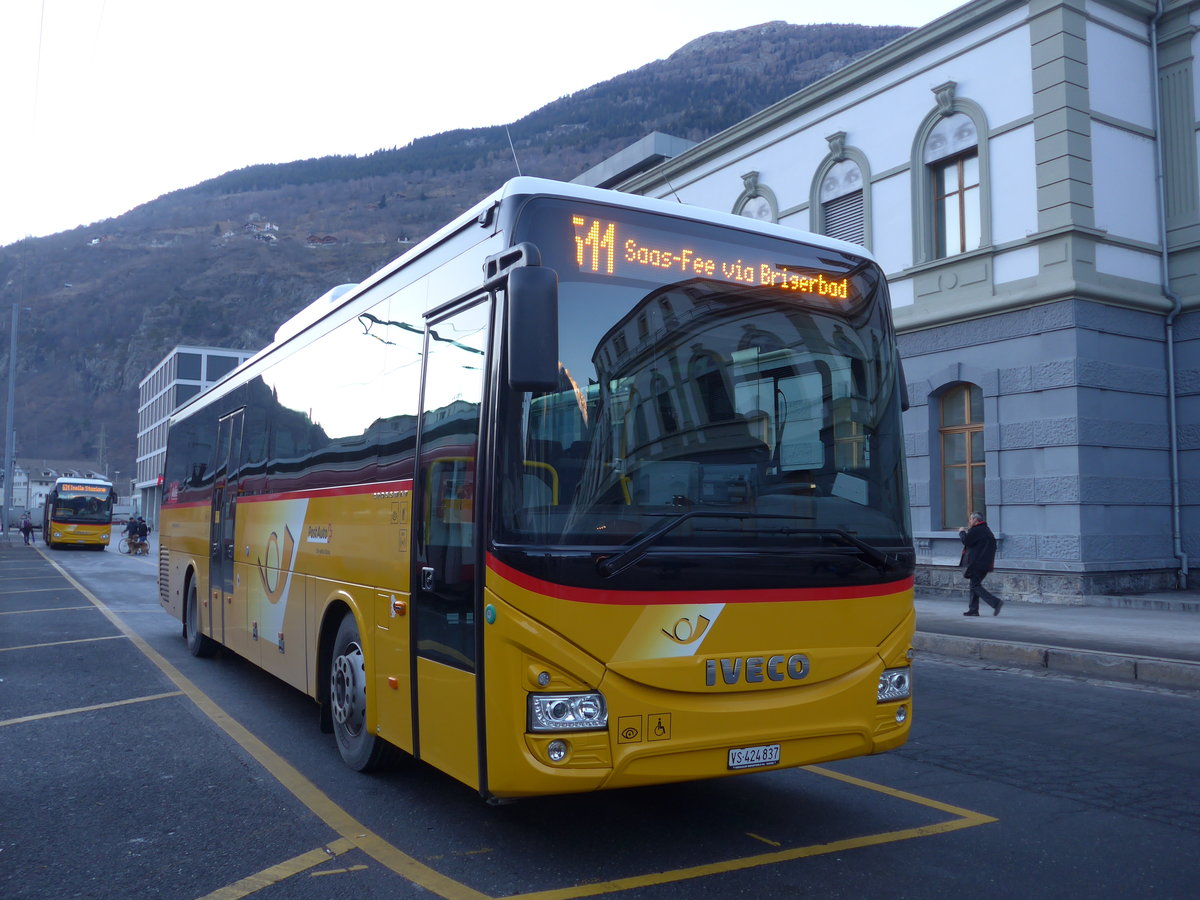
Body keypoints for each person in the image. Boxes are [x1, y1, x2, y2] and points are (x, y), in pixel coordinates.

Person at [959, 511, 1004, 616]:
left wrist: (962, 532)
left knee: (975, 586)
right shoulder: (987, 531)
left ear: (976, 520)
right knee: (973, 585)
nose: (969, 521)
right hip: (985, 563)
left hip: (976, 563)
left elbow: (966, 541)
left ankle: (996, 603)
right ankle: (973, 609)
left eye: (970, 519)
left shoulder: (977, 530)